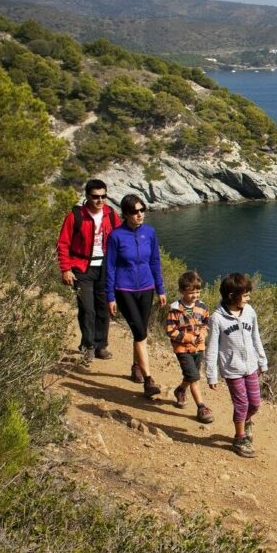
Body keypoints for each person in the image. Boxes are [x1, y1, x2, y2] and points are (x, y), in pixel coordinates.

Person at [105, 194, 166, 397]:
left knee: (140, 330)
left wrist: (160, 288)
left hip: (147, 287)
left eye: (142, 210)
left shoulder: (149, 232)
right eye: (135, 211)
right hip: (124, 289)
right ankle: (148, 380)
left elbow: (155, 261)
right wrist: (110, 296)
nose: (139, 214)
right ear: (125, 214)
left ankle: (135, 367)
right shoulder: (116, 236)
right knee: (140, 333)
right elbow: (110, 267)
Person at [56, 179, 120, 365]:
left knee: (103, 308)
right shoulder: (75, 216)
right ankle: (88, 346)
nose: (100, 200)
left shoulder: (111, 215)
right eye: (95, 197)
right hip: (82, 268)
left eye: (103, 196)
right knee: (87, 309)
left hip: (105, 267)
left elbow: (119, 239)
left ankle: (101, 345)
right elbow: (63, 243)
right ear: (87, 196)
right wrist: (65, 269)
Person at [205, 273, 268, 458]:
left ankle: (246, 421)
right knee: (241, 404)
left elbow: (256, 336)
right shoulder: (217, 318)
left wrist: (262, 361)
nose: (248, 298)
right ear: (232, 295)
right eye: (245, 295)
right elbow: (212, 347)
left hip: (251, 367)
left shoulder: (249, 311)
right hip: (232, 369)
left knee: (255, 404)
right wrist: (211, 374)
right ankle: (240, 438)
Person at [165, 270, 214, 424]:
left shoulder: (202, 307)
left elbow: (206, 324)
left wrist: (203, 334)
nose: (195, 295)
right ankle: (201, 407)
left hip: (199, 348)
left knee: (192, 375)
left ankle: (180, 390)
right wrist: (188, 338)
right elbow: (170, 331)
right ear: (182, 291)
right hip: (182, 349)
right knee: (194, 377)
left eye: (198, 291)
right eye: (191, 292)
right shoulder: (175, 310)